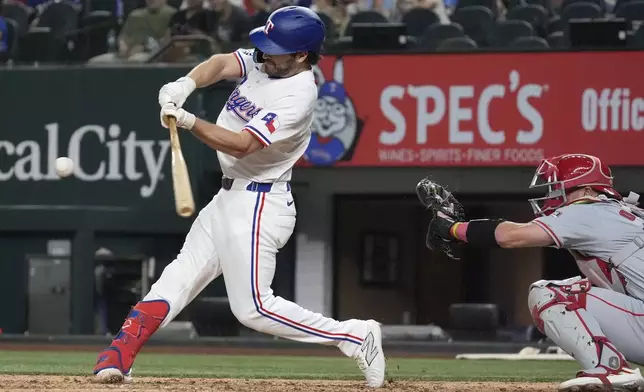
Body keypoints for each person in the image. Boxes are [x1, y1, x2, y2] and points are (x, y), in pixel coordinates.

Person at [92, 6, 386, 389]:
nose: (264, 53)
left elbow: (242, 144)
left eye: (275, 48)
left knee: (253, 309)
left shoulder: (298, 94)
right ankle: (120, 352)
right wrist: (184, 85)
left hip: (260, 203)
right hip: (229, 196)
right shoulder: (269, 62)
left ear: (301, 55)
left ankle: (354, 335)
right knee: (179, 276)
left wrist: (189, 121)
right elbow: (218, 63)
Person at [418, 153, 644, 392]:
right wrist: (462, 230)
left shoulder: (590, 211)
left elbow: (511, 236)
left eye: (560, 189)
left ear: (588, 190)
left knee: (552, 295)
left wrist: (452, 229)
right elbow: (517, 232)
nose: (553, 196)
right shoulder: (616, 214)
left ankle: (611, 369)